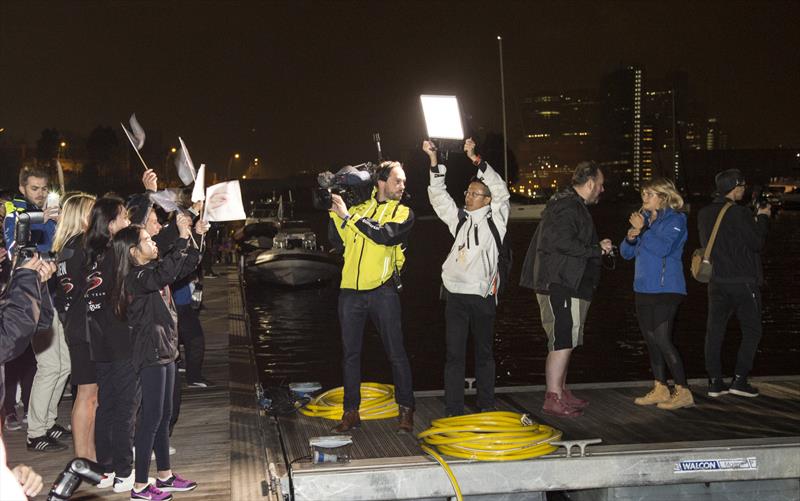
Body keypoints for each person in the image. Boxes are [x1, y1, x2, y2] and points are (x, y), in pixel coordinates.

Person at [114, 216, 200, 500]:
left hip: (166, 348)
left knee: (163, 416)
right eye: (148, 240)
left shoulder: (151, 269)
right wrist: (181, 240)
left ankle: (164, 475)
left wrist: (195, 236)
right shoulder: (135, 277)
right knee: (150, 418)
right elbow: (164, 274)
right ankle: (139, 486)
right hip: (149, 352)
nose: (153, 242)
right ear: (133, 251)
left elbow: (186, 265)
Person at [519, 162, 613, 418]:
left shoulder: (569, 204)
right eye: (600, 184)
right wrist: (596, 250)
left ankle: (560, 390)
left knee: (567, 338)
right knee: (561, 339)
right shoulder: (567, 206)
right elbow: (559, 242)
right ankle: (553, 397)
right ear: (591, 183)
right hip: (560, 283)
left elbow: (565, 240)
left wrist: (596, 245)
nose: (602, 190)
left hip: (567, 282)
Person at [327, 160, 415, 433]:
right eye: (397, 181)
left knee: (396, 353)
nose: (402, 186)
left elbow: (383, 236)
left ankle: (406, 409)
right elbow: (338, 241)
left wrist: (348, 217)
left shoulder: (403, 213)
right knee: (350, 355)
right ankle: (350, 412)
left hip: (383, 291)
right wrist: (333, 207)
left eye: (403, 181)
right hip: (350, 292)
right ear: (381, 182)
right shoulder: (360, 209)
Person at [424, 138, 510, 416]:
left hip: (482, 296)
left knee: (484, 354)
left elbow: (500, 190)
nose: (468, 196)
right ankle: (453, 408)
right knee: (454, 355)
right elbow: (439, 199)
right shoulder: (459, 220)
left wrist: (476, 159)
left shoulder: (496, 220)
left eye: (474, 194)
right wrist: (435, 162)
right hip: (455, 296)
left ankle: (486, 404)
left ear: (487, 200)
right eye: (468, 192)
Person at [4, 166, 73, 452]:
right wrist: (42, 221)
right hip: (29, 299)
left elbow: (59, 248)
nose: (41, 193)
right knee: (48, 366)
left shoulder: (49, 215)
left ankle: (48, 421)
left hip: (52, 297)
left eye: (45, 188)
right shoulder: (16, 215)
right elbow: (20, 252)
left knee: (64, 365)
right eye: (34, 188)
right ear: (22, 188)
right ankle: (35, 432)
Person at [620, 178, 693, 410]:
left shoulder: (676, 219)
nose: (645, 198)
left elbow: (664, 248)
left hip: (667, 289)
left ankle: (683, 390)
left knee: (662, 338)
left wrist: (643, 230)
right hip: (643, 288)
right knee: (651, 341)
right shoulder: (646, 220)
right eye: (643, 194)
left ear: (663, 197)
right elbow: (626, 254)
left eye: (650, 194)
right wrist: (631, 237)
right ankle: (661, 387)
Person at [698, 169, 770, 398]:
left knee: (715, 331)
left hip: (716, 281)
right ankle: (739, 380)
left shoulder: (704, 213)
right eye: (742, 186)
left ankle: (715, 382)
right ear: (734, 187)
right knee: (752, 329)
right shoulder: (739, 213)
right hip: (742, 281)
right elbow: (757, 242)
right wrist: (764, 218)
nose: (744, 189)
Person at [52, 192, 97, 459]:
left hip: (76, 324)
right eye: (93, 212)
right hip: (87, 326)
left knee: (88, 393)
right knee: (87, 394)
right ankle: (84, 458)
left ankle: (89, 454)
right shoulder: (82, 244)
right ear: (82, 216)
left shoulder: (66, 246)